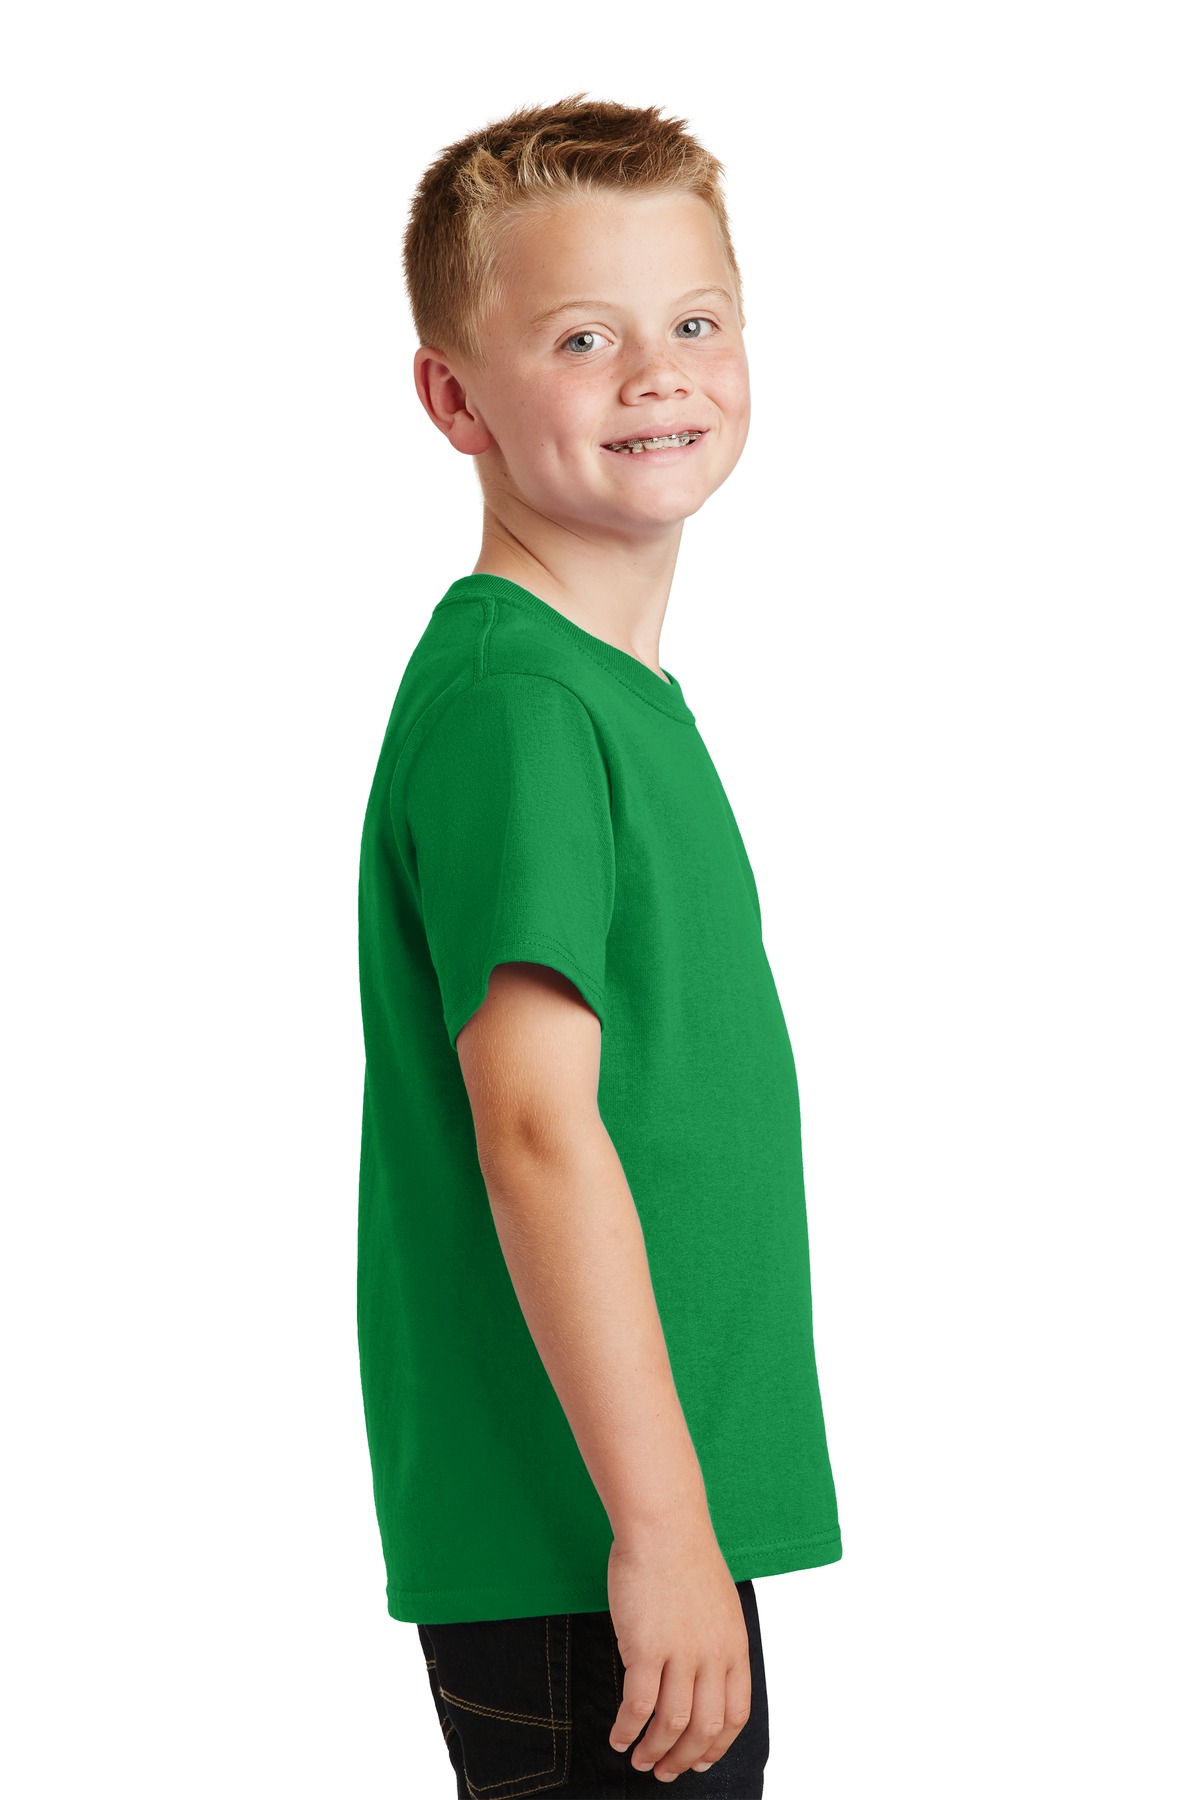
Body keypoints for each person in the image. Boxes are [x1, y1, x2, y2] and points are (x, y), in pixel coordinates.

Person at [356, 93, 843, 1796]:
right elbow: (536, 1126)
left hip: (632, 1526)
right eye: (583, 338)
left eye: (695, 323)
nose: (657, 374)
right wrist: (660, 1526)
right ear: (455, 399)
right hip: (593, 1542)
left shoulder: (596, 695)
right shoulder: (525, 709)